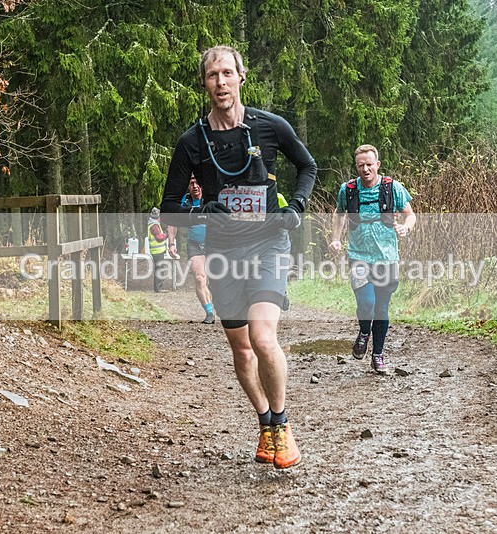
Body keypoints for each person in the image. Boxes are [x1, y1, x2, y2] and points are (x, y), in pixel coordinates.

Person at [161, 45, 316, 469]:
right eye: (213, 76)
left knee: (264, 339)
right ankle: (265, 422)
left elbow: (308, 166)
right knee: (242, 350)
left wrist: (296, 207)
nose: (221, 82)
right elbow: (168, 206)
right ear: (204, 83)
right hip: (223, 253)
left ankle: (282, 426)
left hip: (268, 244)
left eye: (227, 73)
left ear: (241, 77)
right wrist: (200, 211)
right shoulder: (192, 142)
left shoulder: (269, 126)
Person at [329, 144, 416, 373]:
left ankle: (378, 354)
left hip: (387, 258)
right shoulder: (347, 189)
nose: (365, 169)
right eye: (361, 166)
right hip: (358, 257)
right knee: (366, 303)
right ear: (356, 167)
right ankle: (364, 332)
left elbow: (410, 215)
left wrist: (406, 228)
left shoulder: (392, 187)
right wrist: (336, 239)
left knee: (382, 308)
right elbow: (339, 214)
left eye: (369, 165)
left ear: (377, 165)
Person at [166, 177, 216, 324]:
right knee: (200, 278)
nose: (194, 186)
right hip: (194, 244)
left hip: (213, 243)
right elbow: (172, 222)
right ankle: (209, 313)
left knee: (217, 280)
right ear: (187, 186)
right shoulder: (184, 201)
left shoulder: (210, 198)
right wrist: (171, 244)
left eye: (197, 183)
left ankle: (216, 299)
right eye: (191, 183)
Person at [147, 207, 168, 293]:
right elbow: (159, 238)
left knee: (159, 268)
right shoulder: (154, 225)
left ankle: (158, 288)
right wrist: (166, 235)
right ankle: (159, 288)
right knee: (159, 269)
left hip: (157, 251)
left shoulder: (153, 224)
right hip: (157, 251)